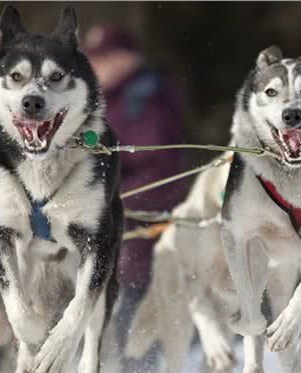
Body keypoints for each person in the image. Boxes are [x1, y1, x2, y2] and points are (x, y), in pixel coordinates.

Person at [84, 25, 188, 373]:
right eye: (93, 59)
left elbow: (163, 170)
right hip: (103, 236)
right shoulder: (103, 101)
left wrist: (112, 200)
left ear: (128, 59)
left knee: (133, 336)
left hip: (141, 237)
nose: (97, 66)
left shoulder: (144, 101)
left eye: (105, 58)